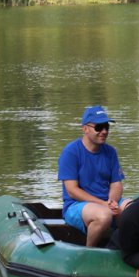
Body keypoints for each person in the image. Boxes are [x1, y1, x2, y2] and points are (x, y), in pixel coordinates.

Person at [58, 105, 131, 247]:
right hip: (76, 206)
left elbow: (116, 184)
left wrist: (112, 201)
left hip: (106, 203)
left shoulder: (111, 152)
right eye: (99, 127)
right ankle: (89, 252)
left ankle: (125, 249)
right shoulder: (70, 152)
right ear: (85, 129)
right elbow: (72, 191)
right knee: (104, 215)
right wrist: (103, 205)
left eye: (106, 127)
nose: (104, 131)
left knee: (133, 210)